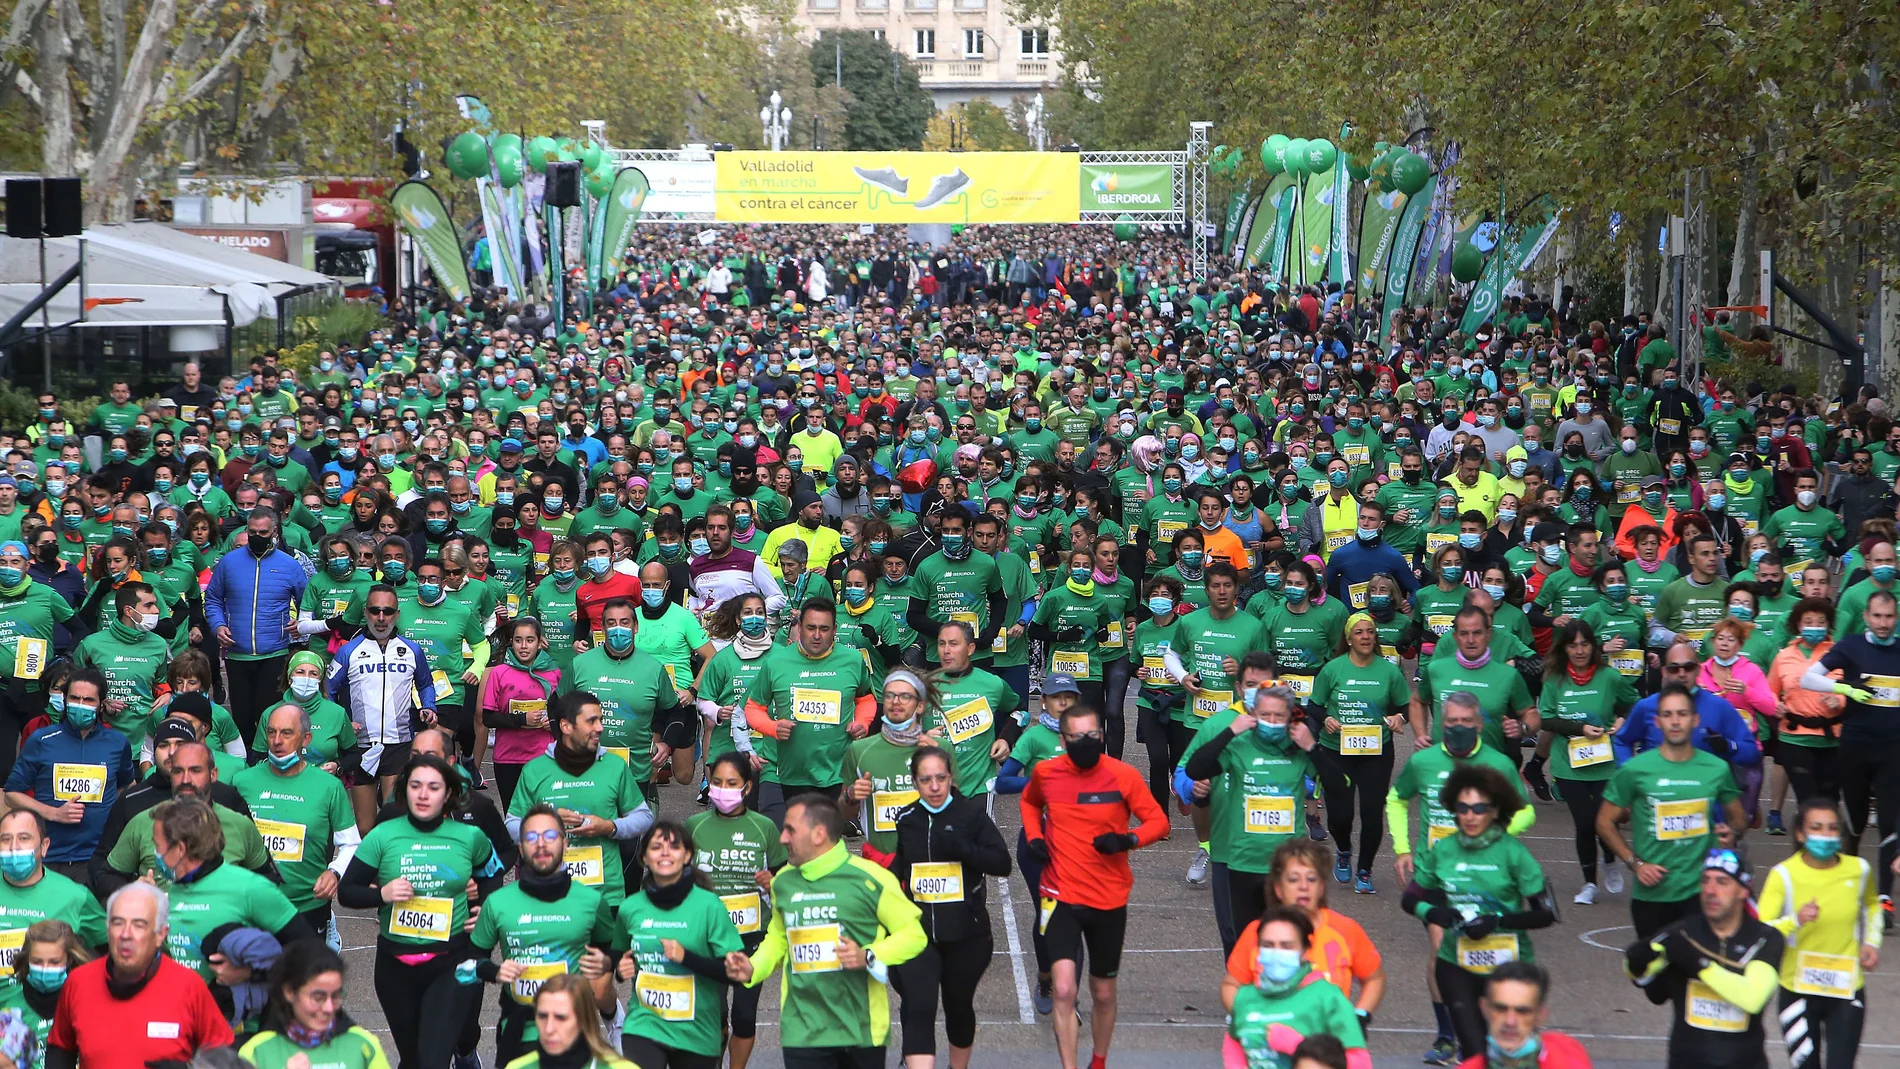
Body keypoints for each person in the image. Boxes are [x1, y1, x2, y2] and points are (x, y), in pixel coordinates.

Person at [1386, 692, 1537, 1067]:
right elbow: (1396, 799)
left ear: (1479, 724)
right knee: (1442, 951)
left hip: (1488, 878)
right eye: (1449, 721)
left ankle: (1489, 1027)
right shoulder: (1423, 761)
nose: (1456, 728)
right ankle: (1446, 1035)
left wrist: (1490, 839)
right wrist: (1403, 847)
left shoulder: (1498, 763)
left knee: (1485, 951)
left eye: (1464, 722)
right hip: (1437, 874)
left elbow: (1526, 812)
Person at [725, 792, 926, 1069]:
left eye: (790, 830)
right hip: (802, 1031)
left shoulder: (871, 878)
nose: (782, 838)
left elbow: (913, 934)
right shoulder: (783, 881)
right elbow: (778, 939)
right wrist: (752, 968)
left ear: (818, 834)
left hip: (862, 1030)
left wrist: (868, 955)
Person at [1022, 703, 1169, 1069]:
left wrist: (1128, 840)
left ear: (1102, 736)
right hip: (1059, 894)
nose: (1087, 742)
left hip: (1108, 897)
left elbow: (1159, 822)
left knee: (1102, 992)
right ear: (1063, 738)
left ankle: (1098, 1060)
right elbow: (1028, 801)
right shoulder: (1047, 773)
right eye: (1078, 737)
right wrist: (1035, 835)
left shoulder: (1123, 776)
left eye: (1093, 736)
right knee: (1065, 989)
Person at [337, 754, 504, 1069]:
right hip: (395, 966)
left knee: (433, 1060)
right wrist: (382, 894)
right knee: (413, 1060)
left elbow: (493, 871)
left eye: (433, 787)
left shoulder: (470, 837)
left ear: (448, 794)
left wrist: (485, 904)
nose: (423, 794)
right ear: (404, 791)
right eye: (415, 786)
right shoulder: (383, 835)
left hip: (450, 964)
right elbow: (347, 892)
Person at [1401, 764, 1555, 1060]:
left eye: (1479, 808)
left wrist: (1497, 921)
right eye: (1463, 808)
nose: (1470, 816)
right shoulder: (1443, 850)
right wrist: (1436, 914)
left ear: (1495, 811)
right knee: (1474, 1052)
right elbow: (1410, 899)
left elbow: (1546, 913)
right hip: (1456, 963)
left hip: (1508, 966)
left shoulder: (1514, 853)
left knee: (1507, 1053)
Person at [889, 746, 1011, 1069]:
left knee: (957, 1006)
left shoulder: (971, 815)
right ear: (915, 782)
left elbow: (1002, 863)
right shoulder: (908, 819)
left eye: (940, 778)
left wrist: (964, 850)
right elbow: (902, 869)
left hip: (966, 935)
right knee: (919, 1005)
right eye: (925, 779)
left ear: (950, 778)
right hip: (919, 935)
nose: (933, 786)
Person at [468, 804, 615, 1069]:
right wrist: (495, 972)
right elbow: (467, 966)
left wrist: (605, 970)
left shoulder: (592, 901)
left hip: (575, 1033)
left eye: (550, 836)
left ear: (565, 843)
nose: (541, 844)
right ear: (521, 849)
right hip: (517, 1032)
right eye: (532, 838)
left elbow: (609, 954)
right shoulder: (498, 903)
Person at [1598, 683, 1749, 940]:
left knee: (1699, 973)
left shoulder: (1716, 768)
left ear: (1695, 720)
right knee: (1655, 975)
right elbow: (1604, 822)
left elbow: (1738, 821)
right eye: (1667, 715)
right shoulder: (1635, 770)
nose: (1675, 721)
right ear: (1657, 722)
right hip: (1653, 894)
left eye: (1682, 714)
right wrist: (1635, 863)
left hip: (1701, 892)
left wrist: (1730, 833)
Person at [1184, 685, 1333, 945]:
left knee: (1290, 942)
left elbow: (1340, 788)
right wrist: (1230, 732)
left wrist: (1312, 747)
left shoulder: (1299, 748)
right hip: (1243, 862)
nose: (1272, 722)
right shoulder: (1238, 746)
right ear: (1253, 714)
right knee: (1248, 944)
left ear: (1292, 717)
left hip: (1288, 865)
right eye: (1265, 715)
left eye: (1279, 716)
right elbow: (1196, 768)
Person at [46, 882, 234, 1069]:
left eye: (139, 925)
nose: (126, 935)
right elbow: (60, 1051)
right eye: (118, 923)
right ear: (107, 929)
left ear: (161, 934)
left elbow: (227, 1062)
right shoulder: (79, 982)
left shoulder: (189, 986)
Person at [1624, 847, 1781, 1069]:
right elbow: (1653, 990)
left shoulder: (1765, 938)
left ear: (1744, 890)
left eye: (1722, 882)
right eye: (1706, 880)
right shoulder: (1681, 932)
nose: (1710, 890)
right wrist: (1634, 963)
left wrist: (1697, 962)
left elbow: (1753, 997)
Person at [1758, 798, 1879, 1069]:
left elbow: (1872, 906)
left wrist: (1872, 942)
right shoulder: (1783, 875)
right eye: (1817, 827)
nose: (1825, 835)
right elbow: (1760, 930)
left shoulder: (1858, 870)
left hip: (1846, 987)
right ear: (1800, 834)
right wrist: (1795, 920)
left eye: (1832, 828)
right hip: (1797, 990)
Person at [506, 690, 653, 913]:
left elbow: (644, 817)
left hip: (605, 894)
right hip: (548, 892)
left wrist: (610, 827)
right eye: (591, 721)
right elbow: (511, 824)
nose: (600, 728)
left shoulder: (615, 766)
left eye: (601, 720)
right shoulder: (534, 770)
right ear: (566, 726)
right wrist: (549, 825)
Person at [612, 819, 743, 1069]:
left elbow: (732, 973)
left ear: (687, 856)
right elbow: (620, 955)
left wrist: (687, 957)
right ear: (644, 857)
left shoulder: (709, 906)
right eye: (656, 847)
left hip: (697, 1032)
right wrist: (620, 969)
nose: (664, 853)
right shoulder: (630, 908)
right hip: (644, 1024)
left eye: (674, 847)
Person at [683, 752, 783, 1069]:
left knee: (744, 1014)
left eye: (732, 783)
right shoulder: (694, 826)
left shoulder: (765, 827)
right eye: (717, 782)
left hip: (752, 935)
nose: (723, 789)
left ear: (747, 787)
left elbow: (784, 876)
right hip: (708, 934)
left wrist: (773, 883)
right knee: (715, 1017)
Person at [1800, 587, 1900, 904]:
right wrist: (1845, 687)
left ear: (1896, 618)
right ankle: (1849, 880)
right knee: (1855, 822)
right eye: (1877, 616)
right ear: (1865, 617)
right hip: (1855, 748)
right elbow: (1808, 679)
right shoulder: (1852, 646)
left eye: (1889, 617)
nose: (1883, 623)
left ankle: (1884, 898)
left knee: (1889, 823)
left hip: (1893, 751)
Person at [1221, 839, 1386, 1029]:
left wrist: (1360, 1016)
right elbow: (1230, 985)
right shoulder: (1258, 932)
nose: (1303, 886)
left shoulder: (1345, 930)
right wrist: (1246, 1018)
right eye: (1293, 879)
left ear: (1321, 887)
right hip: (1270, 1045)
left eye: (1311, 879)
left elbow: (1374, 978)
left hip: (1327, 1044)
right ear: (1278, 889)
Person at [233, 701, 362, 940]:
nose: (277, 740)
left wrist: (334, 873)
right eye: (272, 732)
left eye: (287, 733)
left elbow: (351, 843)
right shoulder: (242, 781)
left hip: (305, 908)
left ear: (306, 739)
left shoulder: (329, 787)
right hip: (249, 906)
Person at [742, 601, 878, 821]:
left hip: (834, 772)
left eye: (824, 629)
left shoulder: (853, 661)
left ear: (834, 630)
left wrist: (862, 722)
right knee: (783, 847)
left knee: (822, 846)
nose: (817, 635)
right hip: (783, 772)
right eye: (810, 628)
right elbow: (753, 707)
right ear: (800, 627)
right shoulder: (776, 662)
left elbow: (866, 699)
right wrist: (773, 727)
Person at [1307, 611, 1412, 892]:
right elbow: (1314, 706)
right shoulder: (1333, 669)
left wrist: (1400, 718)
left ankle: (1365, 870)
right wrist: (1326, 718)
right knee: (1340, 815)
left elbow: (1405, 707)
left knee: (1371, 811)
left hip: (1376, 752)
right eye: (1359, 632)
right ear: (1349, 638)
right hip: (1336, 750)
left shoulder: (1389, 671)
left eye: (1370, 632)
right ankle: (1343, 849)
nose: (1366, 637)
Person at [2, 666, 135, 885]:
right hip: (49, 857)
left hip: (97, 859)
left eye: (88, 700)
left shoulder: (117, 744)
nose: (80, 705)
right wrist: (54, 814)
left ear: (101, 704)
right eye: (74, 698)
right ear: (64, 700)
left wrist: (108, 815)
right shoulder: (42, 740)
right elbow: (12, 794)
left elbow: (128, 785)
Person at [1539, 620, 1636, 905]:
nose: (1579, 651)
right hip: (1569, 765)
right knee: (1584, 822)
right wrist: (1578, 729)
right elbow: (1545, 717)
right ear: (1565, 648)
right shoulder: (1555, 679)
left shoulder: (1609, 677)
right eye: (1573, 645)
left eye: (1584, 644)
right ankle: (1589, 883)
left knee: (1604, 819)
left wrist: (1621, 718)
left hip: (1604, 763)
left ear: (1593, 646)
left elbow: (1632, 702)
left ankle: (1608, 858)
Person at [204, 505, 308, 743]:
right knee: (241, 718)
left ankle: (267, 762)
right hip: (236, 653)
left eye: (263, 533)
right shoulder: (229, 563)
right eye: (253, 532)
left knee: (268, 716)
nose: (257, 537)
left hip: (274, 652)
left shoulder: (290, 565)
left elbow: (307, 602)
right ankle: (244, 766)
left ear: (275, 533)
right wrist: (218, 626)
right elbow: (212, 599)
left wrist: (300, 622)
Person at [1221, 906, 1370, 1069]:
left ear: (1305, 951)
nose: (1276, 952)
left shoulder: (1328, 998)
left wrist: (1298, 1046)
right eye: (1268, 945)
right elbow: (1234, 1039)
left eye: (1286, 946)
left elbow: (1360, 1064)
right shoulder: (1245, 997)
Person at [328, 585, 439, 800]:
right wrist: (341, 725)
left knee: (392, 818)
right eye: (374, 610)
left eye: (388, 611)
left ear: (397, 615)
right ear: (365, 613)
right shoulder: (347, 651)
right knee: (365, 827)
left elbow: (425, 684)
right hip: (360, 744)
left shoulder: (412, 650)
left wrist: (429, 706)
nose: (381, 617)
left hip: (399, 744)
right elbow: (328, 692)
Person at [239, 941, 392, 1069]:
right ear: (290, 992)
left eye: (336, 996)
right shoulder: (257, 1052)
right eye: (318, 998)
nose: (329, 1008)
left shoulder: (363, 1045)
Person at [0, 809, 106, 953]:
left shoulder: (75, 896)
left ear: (44, 846)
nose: (14, 848)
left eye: (24, 838)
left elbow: (108, 946)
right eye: (6, 839)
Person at [1457, 961, 1593, 1069]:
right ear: (1484, 1008)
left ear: (1540, 1015)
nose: (1510, 1021)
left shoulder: (1569, 1052)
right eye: (1500, 1009)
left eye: (1522, 1011)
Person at [502, 974, 637, 1069]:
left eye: (561, 1018)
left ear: (583, 1019)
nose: (549, 1029)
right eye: (542, 1016)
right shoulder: (516, 1067)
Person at [0, 918, 89, 1060]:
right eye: (37, 961)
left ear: (69, 960)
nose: (45, 969)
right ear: (26, 959)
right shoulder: (11, 1011)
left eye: (54, 962)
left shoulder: (88, 1005)